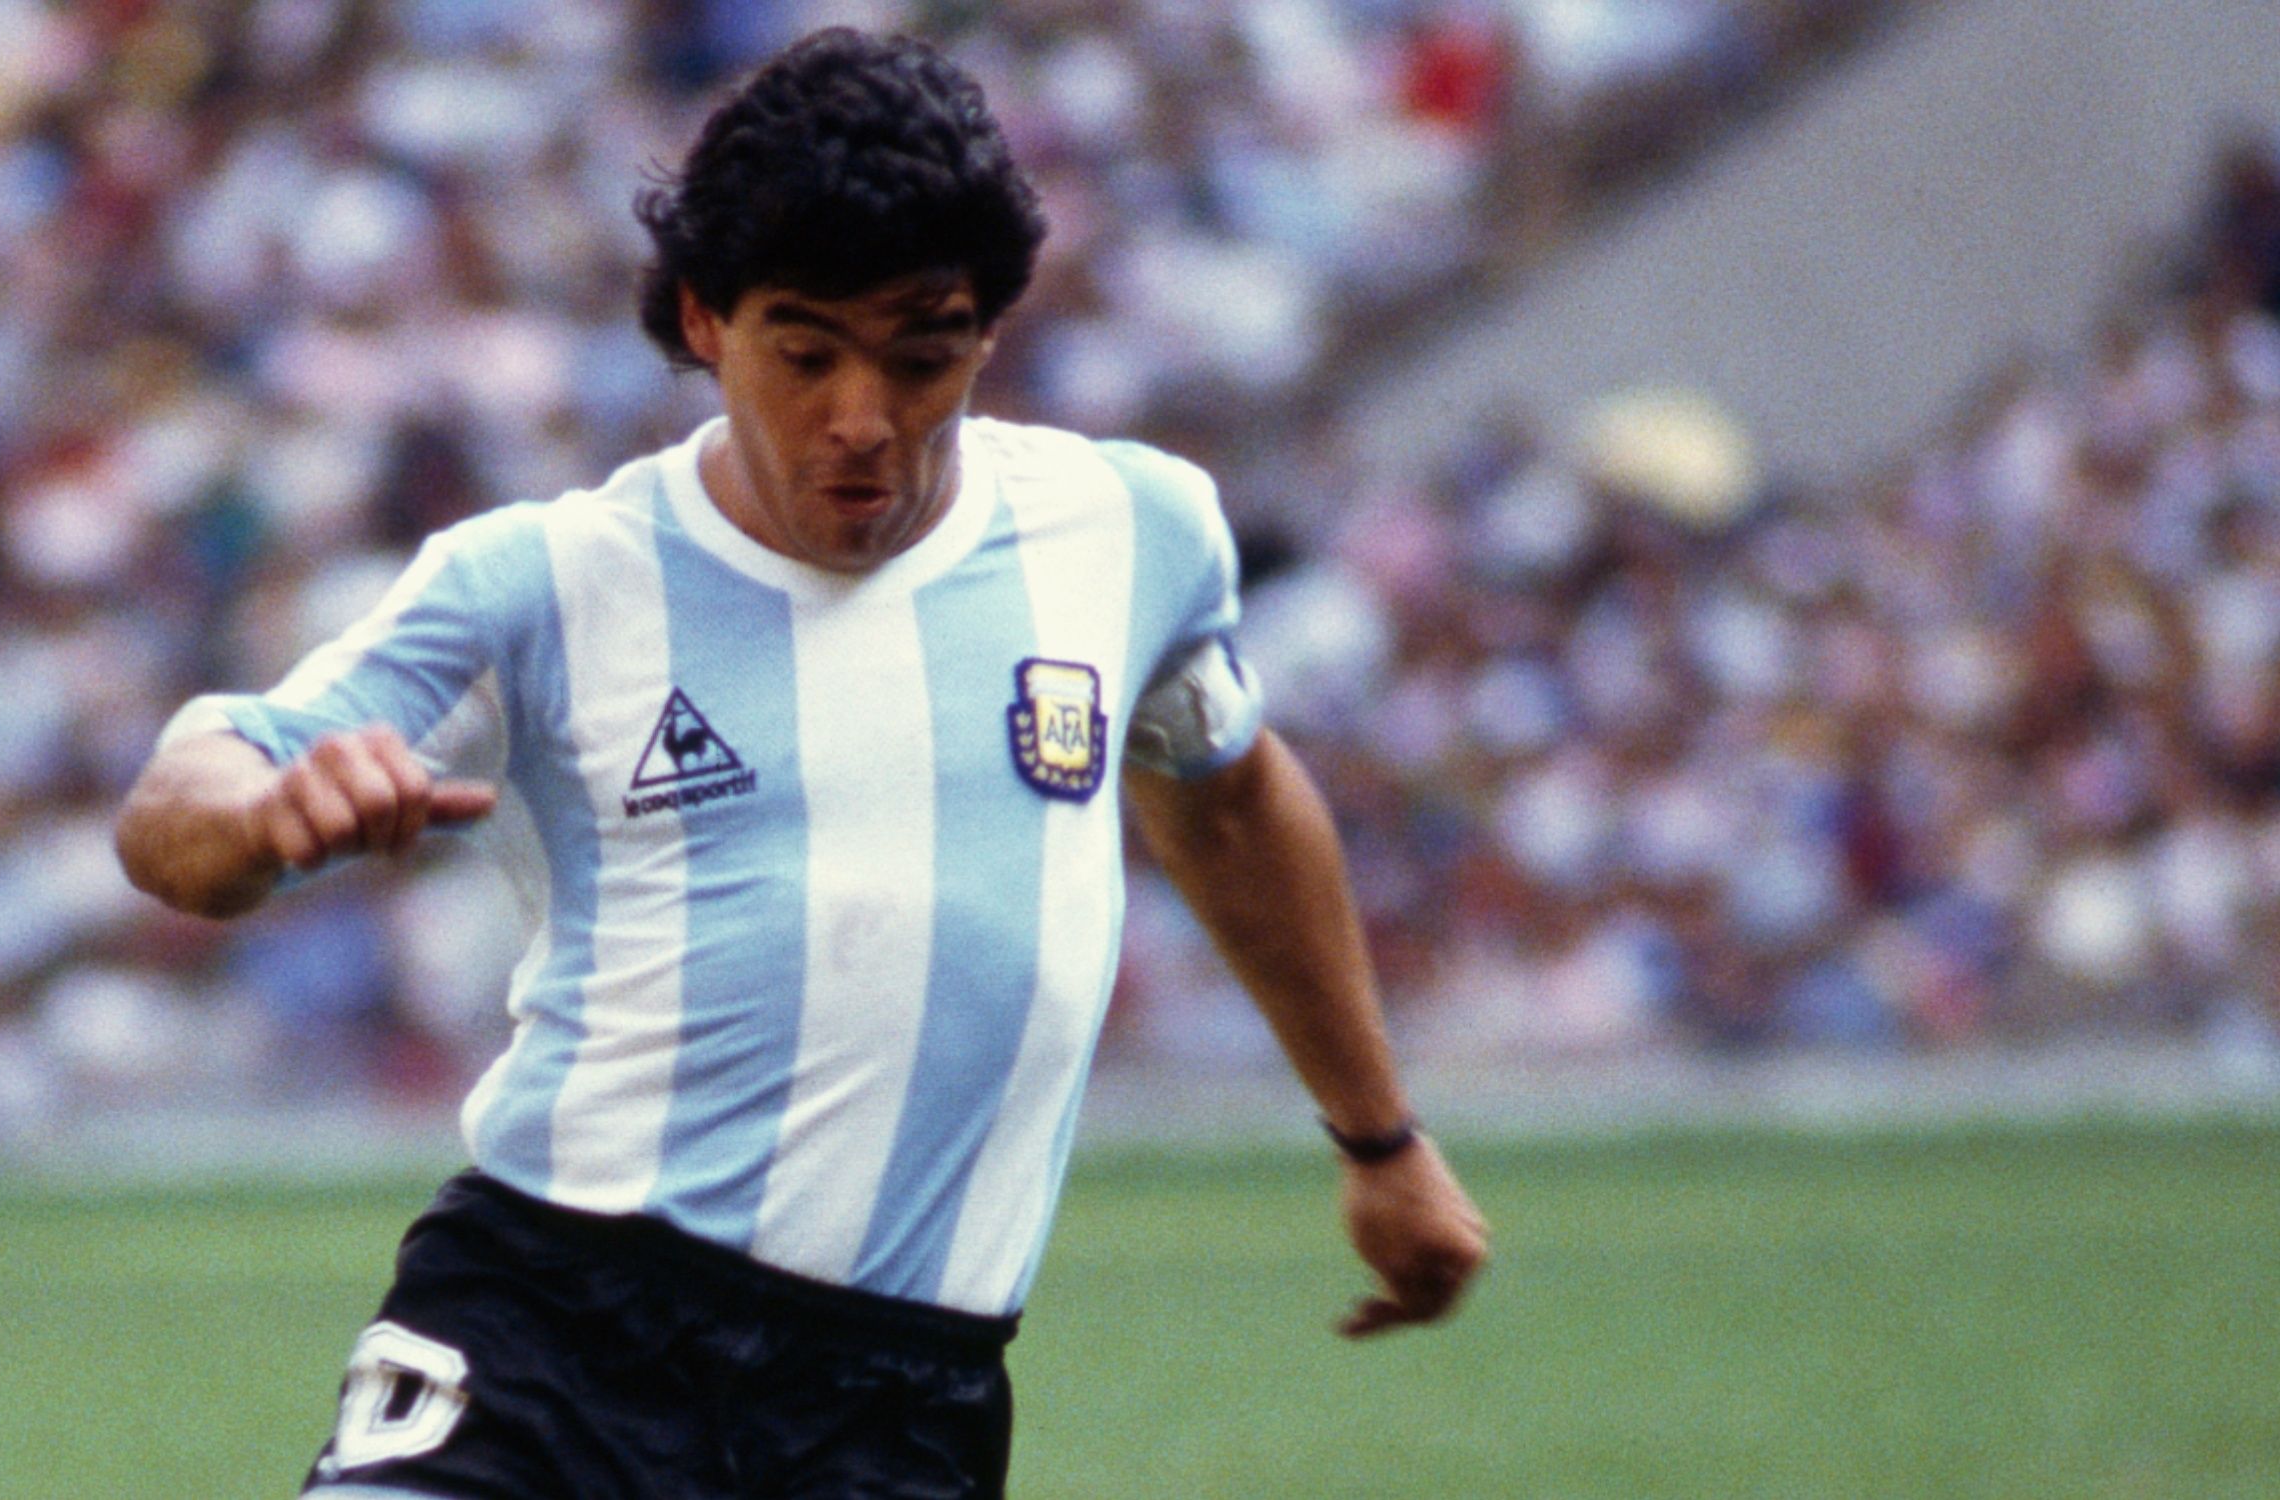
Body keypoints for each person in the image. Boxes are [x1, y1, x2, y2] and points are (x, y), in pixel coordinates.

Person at [116, 28, 1487, 1499]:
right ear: (706, 321)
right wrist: (262, 818)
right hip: (557, 1331)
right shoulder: (548, 581)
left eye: (921, 355)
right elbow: (177, 808)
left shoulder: (1129, 532)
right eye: (805, 349)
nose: (862, 422)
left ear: (987, 334)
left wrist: (1379, 1136)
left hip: (898, 1408)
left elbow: (1224, 801)